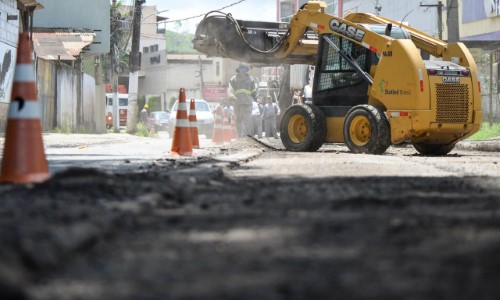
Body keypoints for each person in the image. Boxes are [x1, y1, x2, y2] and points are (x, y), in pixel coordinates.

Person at [227, 64, 257, 137]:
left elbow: (253, 90)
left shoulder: (250, 79)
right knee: (238, 120)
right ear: (239, 70)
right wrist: (231, 96)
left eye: (244, 69)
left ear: (246, 70)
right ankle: (240, 138)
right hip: (238, 103)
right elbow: (230, 89)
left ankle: (246, 137)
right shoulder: (234, 79)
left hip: (247, 103)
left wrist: (257, 98)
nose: (243, 71)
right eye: (241, 69)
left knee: (247, 120)